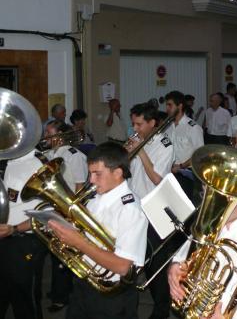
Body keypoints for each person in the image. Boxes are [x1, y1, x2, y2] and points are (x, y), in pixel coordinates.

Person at [48, 142, 148, 319]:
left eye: (97, 174)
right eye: (90, 173)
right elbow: (86, 239)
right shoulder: (95, 199)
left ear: (118, 173)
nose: (91, 180)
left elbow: (123, 266)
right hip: (84, 284)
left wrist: (79, 242)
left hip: (111, 297)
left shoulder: (130, 210)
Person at [127, 102, 174, 319]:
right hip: (135, 207)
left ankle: (162, 309)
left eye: (139, 124)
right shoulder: (138, 140)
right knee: (135, 259)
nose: (134, 128)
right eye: (133, 123)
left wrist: (141, 151)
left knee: (155, 263)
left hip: (155, 209)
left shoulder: (164, 145)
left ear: (152, 123)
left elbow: (157, 179)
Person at [43, 120, 89, 312]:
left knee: (64, 256)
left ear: (60, 136)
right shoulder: (50, 154)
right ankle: (58, 290)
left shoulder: (73, 155)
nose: (46, 136)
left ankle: (62, 296)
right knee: (55, 254)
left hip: (67, 210)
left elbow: (80, 186)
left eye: (50, 133)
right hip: (54, 208)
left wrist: (71, 213)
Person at [0, 149, 47, 319]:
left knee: (25, 299)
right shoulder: (8, 161)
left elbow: (48, 214)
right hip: (5, 239)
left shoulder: (38, 164)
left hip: (25, 240)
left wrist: (14, 229)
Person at [164, 90, 205, 201]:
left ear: (180, 106)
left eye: (170, 105)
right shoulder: (168, 126)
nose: (167, 109)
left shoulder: (193, 128)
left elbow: (200, 154)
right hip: (169, 171)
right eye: (166, 105)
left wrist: (181, 166)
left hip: (185, 173)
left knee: (185, 208)